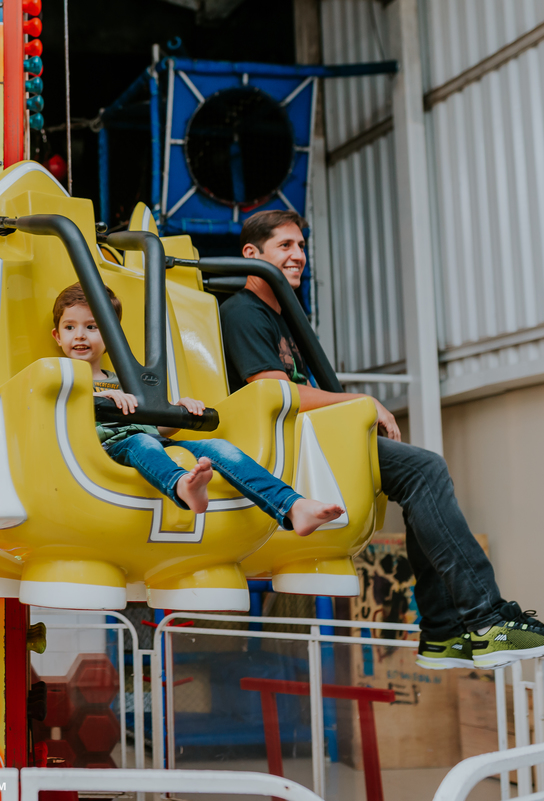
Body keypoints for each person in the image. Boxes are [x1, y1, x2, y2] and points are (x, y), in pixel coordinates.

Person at [220, 209, 544, 670]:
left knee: (424, 473)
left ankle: (444, 631)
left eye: (301, 246)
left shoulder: (284, 316)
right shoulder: (242, 311)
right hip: (280, 447)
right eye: (285, 246)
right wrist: (356, 402)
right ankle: (484, 621)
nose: (298, 256)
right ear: (252, 255)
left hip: (307, 437)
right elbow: (271, 389)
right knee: (424, 470)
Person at [52, 283, 344, 534]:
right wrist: (103, 399)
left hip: (150, 443)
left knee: (217, 446)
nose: (80, 335)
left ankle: (292, 505)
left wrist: (177, 411)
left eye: (92, 327)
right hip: (103, 451)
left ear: (111, 335)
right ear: (57, 335)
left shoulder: (127, 380)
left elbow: (156, 430)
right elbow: (57, 415)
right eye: (70, 327)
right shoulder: (57, 377)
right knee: (138, 442)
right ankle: (182, 486)